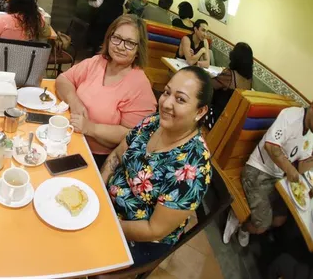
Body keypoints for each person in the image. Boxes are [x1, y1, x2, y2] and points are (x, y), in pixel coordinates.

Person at [101, 66, 213, 266]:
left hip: (138, 236)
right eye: (167, 92)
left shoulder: (193, 168)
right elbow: (118, 153)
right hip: (107, 204)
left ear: (200, 111)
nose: (166, 103)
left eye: (180, 99)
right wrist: (98, 187)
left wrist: (106, 225)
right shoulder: (153, 123)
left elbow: (155, 229)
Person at [56, 15, 157, 168]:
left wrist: (90, 128)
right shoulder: (97, 62)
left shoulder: (140, 86)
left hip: (97, 158)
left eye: (130, 43)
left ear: (138, 49)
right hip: (69, 138)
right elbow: (63, 79)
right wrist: (75, 102)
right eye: (117, 38)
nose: (121, 46)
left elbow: (133, 135)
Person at [223, 101, 313, 247]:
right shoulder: (291, 116)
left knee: (280, 220)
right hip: (257, 169)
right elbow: (271, 146)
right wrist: (290, 170)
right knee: (262, 225)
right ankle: (240, 220)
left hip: (276, 177)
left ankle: (249, 217)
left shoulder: (311, 134)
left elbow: (302, 166)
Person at [209, 42, 253, 123]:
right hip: (232, 119)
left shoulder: (230, 75)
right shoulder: (249, 80)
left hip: (217, 117)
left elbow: (209, 84)